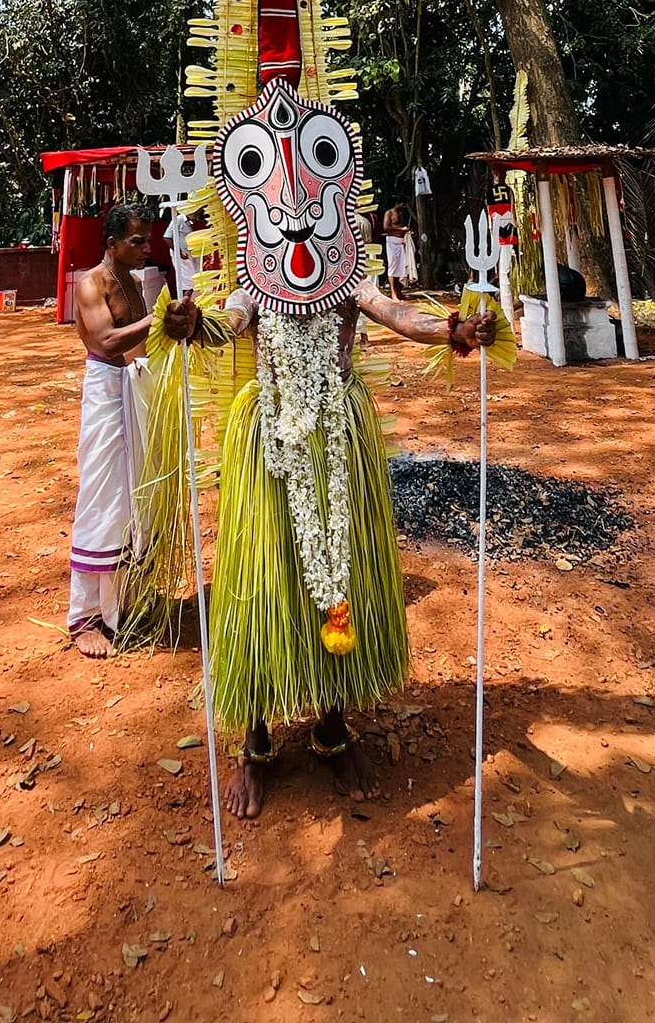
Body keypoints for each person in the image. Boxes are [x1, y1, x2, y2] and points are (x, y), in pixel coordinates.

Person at [165, 274, 495, 819]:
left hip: (339, 437)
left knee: (340, 578)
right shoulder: (256, 273)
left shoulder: (346, 274)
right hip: (270, 442)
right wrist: (196, 324)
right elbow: (232, 320)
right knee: (263, 585)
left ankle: (333, 724)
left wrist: (454, 328)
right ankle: (254, 740)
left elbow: (394, 313)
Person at [66, 204, 157, 658]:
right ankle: (83, 618)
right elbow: (104, 341)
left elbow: (142, 340)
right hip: (105, 392)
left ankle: (119, 607)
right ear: (112, 244)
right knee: (101, 497)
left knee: (133, 496)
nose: (146, 247)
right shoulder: (90, 284)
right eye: (137, 241)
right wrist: (159, 320)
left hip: (135, 390)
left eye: (148, 240)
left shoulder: (136, 283)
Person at [382, 201, 412, 300]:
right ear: (397, 203)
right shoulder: (389, 213)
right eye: (403, 204)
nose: (404, 207)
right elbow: (386, 227)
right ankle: (393, 293)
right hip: (392, 244)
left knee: (402, 268)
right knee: (393, 267)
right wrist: (401, 230)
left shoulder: (400, 214)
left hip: (401, 243)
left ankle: (399, 292)